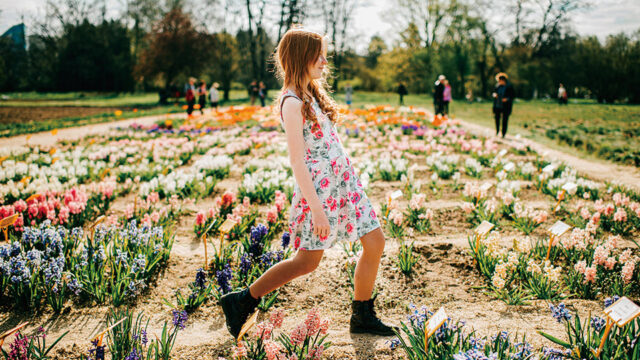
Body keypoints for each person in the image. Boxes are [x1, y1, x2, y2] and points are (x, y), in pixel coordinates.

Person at [219, 28, 398, 339]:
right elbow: (298, 161)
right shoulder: (291, 102)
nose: (325, 60)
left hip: (345, 185)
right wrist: (316, 208)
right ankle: (243, 300)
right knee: (306, 262)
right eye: (319, 54)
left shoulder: (311, 93)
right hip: (320, 193)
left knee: (375, 242)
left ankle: (363, 313)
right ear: (301, 57)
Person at [492, 72, 515, 138]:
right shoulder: (497, 86)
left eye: (500, 81)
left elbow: (512, 96)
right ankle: (497, 131)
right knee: (497, 119)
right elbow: (494, 92)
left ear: (503, 80)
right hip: (497, 105)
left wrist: (507, 99)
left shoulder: (509, 87)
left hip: (505, 106)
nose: (499, 82)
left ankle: (503, 133)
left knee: (504, 120)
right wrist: (494, 95)